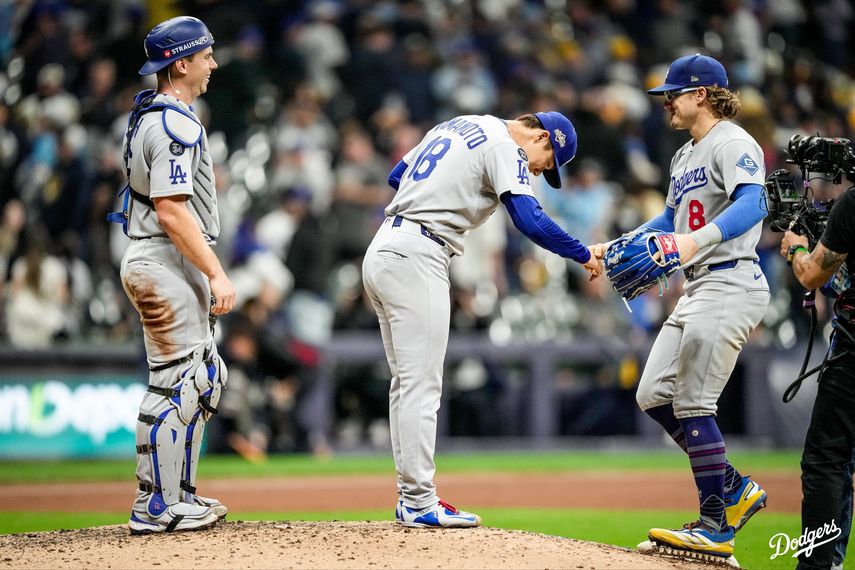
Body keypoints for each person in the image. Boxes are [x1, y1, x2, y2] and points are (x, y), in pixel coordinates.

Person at [362, 111, 602, 528]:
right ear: (542, 137)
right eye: (546, 162)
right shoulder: (506, 146)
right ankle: (418, 501)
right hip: (419, 253)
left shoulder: (460, 123)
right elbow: (528, 219)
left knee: (406, 383)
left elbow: (397, 175)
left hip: (385, 246)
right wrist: (581, 253)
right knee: (421, 384)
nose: (539, 172)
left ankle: (410, 496)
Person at [592, 54, 770, 558]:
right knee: (652, 393)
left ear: (702, 95)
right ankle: (733, 487)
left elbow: (755, 202)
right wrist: (617, 245)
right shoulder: (683, 156)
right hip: (697, 287)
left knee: (693, 403)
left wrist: (696, 241)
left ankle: (716, 526)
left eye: (674, 93)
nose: (666, 102)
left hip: (731, 279)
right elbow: (669, 221)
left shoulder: (733, 141)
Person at [115, 16, 236, 535]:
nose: (213, 64)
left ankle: (177, 493)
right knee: (178, 384)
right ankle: (155, 503)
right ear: (181, 64)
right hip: (164, 256)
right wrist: (217, 274)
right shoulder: (173, 124)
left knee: (202, 377)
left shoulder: (152, 114)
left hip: (162, 257)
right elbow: (170, 209)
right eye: (205, 56)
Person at [780, 184, 855, 570]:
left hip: (853, 354)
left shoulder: (852, 203)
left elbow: (811, 275)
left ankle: (820, 564)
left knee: (827, 458)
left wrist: (797, 248)